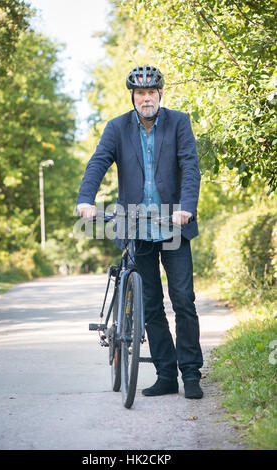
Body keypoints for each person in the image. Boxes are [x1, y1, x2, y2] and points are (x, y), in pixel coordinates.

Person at [77, 65, 203, 399]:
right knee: (150, 306)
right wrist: (86, 200)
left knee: (183, 301)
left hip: (173, 223)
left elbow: (190, 166)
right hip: (135, 225)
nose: (146, 98)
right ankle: (165, 375)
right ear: (133, 96)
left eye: (151, 92)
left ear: (160, 94)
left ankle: (191, 374)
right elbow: (98, 163)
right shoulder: (117, 128)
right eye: (140, 93)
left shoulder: (179, 122)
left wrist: (186, 206)